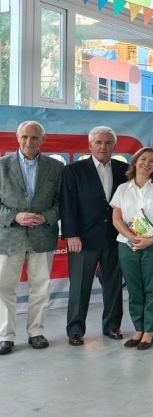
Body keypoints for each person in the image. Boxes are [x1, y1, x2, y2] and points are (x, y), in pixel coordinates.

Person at [60, 126, 127, 346]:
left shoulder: (125, 169)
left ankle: (112, 326)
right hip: (83, 240)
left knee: (113, 286)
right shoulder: (73, 170)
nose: (103, 147)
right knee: (80, 286)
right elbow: (67, 205)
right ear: (90, 146)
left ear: (114, 146)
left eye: (108, 143)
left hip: (115, 239)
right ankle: (76, 330)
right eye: (98, 142)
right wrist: (71, 234)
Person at [0, 121, 63, 354]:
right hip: (9, 236)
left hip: (42, 235)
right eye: (25, 137)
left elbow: (61, 202)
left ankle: (36, 331)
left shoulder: (56, 168)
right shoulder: (1, 166)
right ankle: (5, 335)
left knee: (40, 286)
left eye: (34, 138)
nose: (29, 142)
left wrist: (46, 217)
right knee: (4, 287)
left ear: (43, 140)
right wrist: (16, 216)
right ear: (17, 138)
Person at [110, 147, 153, 351]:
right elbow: (116, 218)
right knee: (134, 288)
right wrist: (133, 237)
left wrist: (151, 238)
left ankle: (149, 330)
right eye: (143, 159)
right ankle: (138, 328)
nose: (147, 163)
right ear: (135, 162)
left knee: (152, 288)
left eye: (152, 161)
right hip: (127, 245)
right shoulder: (122, 189)